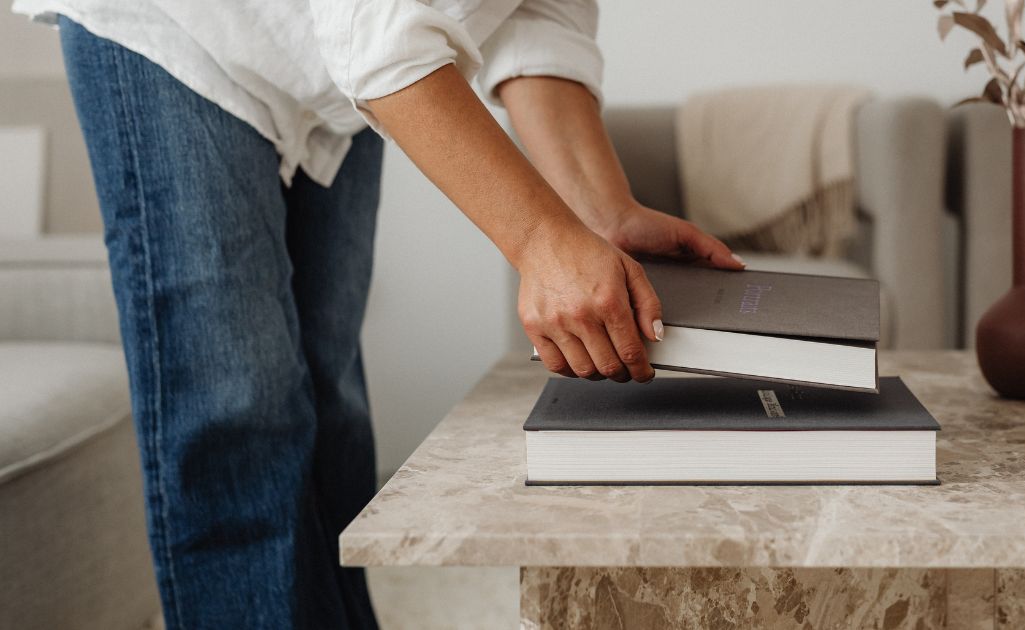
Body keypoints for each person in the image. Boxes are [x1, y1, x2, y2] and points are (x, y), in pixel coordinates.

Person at [11, 0, 744, 627]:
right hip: (183, 27)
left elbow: (533, 15)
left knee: (330, 398)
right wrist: (540, 239)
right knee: (236, 407)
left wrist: (599, 211)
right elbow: (378, 31)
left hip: (333, 61)